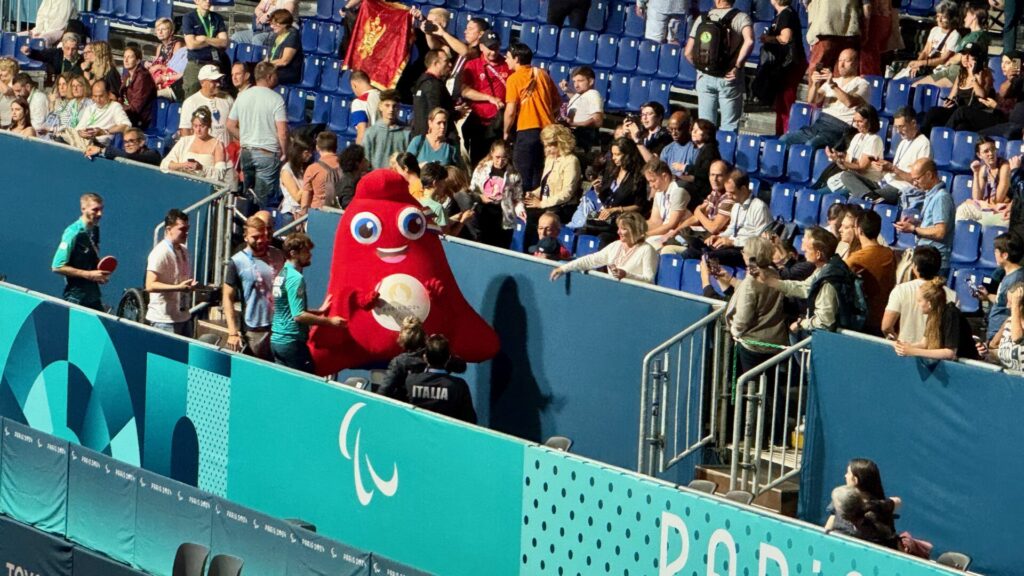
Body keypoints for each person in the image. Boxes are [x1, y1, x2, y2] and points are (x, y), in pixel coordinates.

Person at [271, 233, 346, 372]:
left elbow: (287, 309)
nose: (309, 255)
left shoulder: (282, 273)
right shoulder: (295, 278)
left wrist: (319, 311)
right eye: (306, 251)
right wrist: (330, 322)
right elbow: (298, 315)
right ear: (293, 253)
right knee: (305, 384)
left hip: (277, 341)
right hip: (292, 342)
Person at [227, 62, 288, 211]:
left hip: (247, 152)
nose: (277, 78)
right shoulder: (276, 99)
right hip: (267, 153)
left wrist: (246, 138)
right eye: (275, 75)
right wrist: (285, 152)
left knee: (248, 195)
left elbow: (229, 124)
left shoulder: (243, 96)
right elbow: (283, 132)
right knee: (262, 201)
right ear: (269, 76)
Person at [684, 0, 754, 132]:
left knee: (705, 126)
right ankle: (725, 151)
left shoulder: (702, 18)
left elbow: (688, 52)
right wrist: (738, 66)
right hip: (728, 77)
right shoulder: (741, 17)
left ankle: (706, 152)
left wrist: (702, 69)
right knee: (729, 126)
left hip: (704, 77)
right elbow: (749, 41)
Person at [764, 227, 849, 335]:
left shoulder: (828, 281)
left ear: (818, 254)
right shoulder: (823, 269)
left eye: (808, 249)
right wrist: (774, 283)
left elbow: (824, 322)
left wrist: (801, 324)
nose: (803, 250)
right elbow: (805, 287)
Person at [679, 169, 772, 267]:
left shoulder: (759, 207)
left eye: (732, 193)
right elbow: (732, 229)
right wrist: (720, 236)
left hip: (744, 251)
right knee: (694, 246)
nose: (729, 196)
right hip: (730, 246)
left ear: (744, 189)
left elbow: (761, 241)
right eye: (727, 192)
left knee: (706, 256)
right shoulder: (736, 205)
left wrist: (733, 242)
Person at [223, 215, 285, 359]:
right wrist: (232, 331)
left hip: (277, 328)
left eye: (263, 236)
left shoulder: (278, 255)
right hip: (253, 330)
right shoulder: (237, 261)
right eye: (255, 237)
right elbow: (227, 297)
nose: (260, 240)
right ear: (245, 237)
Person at [781, 48, 869, 150]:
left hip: (840, 128)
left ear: (856, 63)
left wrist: (833, 85)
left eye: (847, 61)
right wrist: (815, 84)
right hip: (821, 123)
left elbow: (849, 103)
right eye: (840, 61)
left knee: (811, 145)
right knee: (785, 139)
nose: (841, 65)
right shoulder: (833, 80)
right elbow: (812, 100)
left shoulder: (862, 84)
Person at [504, 43, 560, 191]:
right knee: (540, 173)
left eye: (508, 57)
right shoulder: (543, 74)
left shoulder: (513, 79)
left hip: (527, 130)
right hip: (549, 131)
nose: (505, 60)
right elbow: (557, 103)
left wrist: (505, 131)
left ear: (516, 59)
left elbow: (510, 111)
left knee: (522, 175)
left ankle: (523, 208)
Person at [550, 212, 659, 283]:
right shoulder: (615, 246)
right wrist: (564, 268)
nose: (618, 232)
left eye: (624, 229)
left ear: (636, 230)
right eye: (619, 228)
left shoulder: (647, 250)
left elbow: (649, 279)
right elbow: (591, 260)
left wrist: (626, 275)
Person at [522, 124, 581, 251]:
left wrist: (542, 204)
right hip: (547, 203)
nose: (547, 149)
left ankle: (538, 250)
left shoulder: (571, 161)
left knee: (536, 218)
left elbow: (567, 193)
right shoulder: (549, 159)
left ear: (561, 142)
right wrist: (533, 194)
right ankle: (527, 250)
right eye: (546, 145)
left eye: (551, 145)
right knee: (524, 211)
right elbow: (546, 186)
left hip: (563, 207)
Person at [882, 246, 957, 343]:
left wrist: (897, 341)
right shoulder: (953, 295)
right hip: (935, 352)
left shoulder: (900, 290)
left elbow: (886, 326)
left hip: (905, 350)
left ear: (915, 267)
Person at [379, 316, 468, 399]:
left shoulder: (399, 362)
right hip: (440, 405)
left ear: (402, 340)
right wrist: (442, 348)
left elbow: (384, 392)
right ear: (424, 336)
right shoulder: (435, 353)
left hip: (408, 409)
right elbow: (461, 367)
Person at [894, 159, 955, 276]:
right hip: (927, 259)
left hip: (935, 264)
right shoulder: (930, 194)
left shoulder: (941, 198)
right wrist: (917, 223)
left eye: (917, 179)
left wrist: (913, 229)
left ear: (929, 175)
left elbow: (940, 232)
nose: (915, 183)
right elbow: (933, 225)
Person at [920, 43, 994, 135]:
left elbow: (982, 96)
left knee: (961, 126)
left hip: (972, 115)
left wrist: (974, 78)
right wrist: (948, 102)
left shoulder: (985, 74)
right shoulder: (961, 74)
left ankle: (942, 136)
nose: (965, 58)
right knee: (934, 112)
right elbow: (952, 95)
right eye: (963, 54)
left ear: (977, 58)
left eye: (970, 55)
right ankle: (920, 137)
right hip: (957, 112)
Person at [459, 30, 509, 166]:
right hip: (479, 123)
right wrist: (489, 98)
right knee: (478, 161)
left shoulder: (507, 65)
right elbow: (464, 91)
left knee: (497, 162)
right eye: (490, 48)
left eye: (496, 47)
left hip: (499, 123)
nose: (493, 51)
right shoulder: (473, 65)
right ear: (481, 46)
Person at [587, 137, 648, 247]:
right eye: (613, 154)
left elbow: (639, 206)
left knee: (603, 238)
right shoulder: (611, 171)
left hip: (622, 219)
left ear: (628, 154)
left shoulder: (638, 177)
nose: (614, 158)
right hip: (605, 214)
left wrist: (616, 210)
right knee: (583, 228)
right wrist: (598, 190)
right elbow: (602, 200)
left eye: (618, 154)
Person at [145, 209, 198, 336]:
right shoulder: (160, 252)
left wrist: (189, 286)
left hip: (183, 316)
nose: (186, 233)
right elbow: (150, 285)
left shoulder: (184, 251)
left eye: (187, 228)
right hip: (164, 321)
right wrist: (178, 287)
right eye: (182, 229)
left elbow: (180, 279)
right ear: (169, 229)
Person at [402, 335, 478, 424]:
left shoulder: (411, 381)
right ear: (448, 358)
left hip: (415, 433)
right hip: (447, 435)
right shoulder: (459, 386)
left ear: (425, 357)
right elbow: (469, 420)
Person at [52, 193, 109, 311]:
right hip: (76, 298)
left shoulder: (95, 229)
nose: (100, 214)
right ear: (83, 209)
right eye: (95, 210)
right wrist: (88, 274)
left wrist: (98, 275)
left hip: (94, 297)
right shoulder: (73, 233)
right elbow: (57, 266)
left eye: (101, 209)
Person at [894, 278, 975, 360]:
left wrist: (913, 351)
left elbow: (950, 352)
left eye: (919, 301)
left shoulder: (951, 314)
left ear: (929, 303)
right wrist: (905, 346)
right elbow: (924, 343)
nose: (917, 304)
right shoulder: (933, 315)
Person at [867, 107, 932, 205]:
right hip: (886, 182)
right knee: (848, 176)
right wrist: (883, 167)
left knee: (862, 198)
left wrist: (893, 169)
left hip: (900, 188)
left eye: (901, 126)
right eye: (896, 127)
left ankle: (868, 196)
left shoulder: (924, 144)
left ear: (913, 123)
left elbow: (919, 181)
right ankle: (867, 195)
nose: (898, 131)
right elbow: (894, 170)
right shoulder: (903, 142)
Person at [760, 0, 807, 135]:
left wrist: (767, 39)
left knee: (786, 102)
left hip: (790, 65)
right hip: (784, 65)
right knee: (781, 103)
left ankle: (785, 135)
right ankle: (780, 133)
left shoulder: (786, 14)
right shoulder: (782, 14)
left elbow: (785, 38)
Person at [845, 211, 895, 335]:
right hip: (883, 316)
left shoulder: (856, 259)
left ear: (860, 231)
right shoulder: (890, 254)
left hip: (865, 321)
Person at [665, 159, 733, 247]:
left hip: (714, 241)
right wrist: (676, 231)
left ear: (727, 177)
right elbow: (696, 218)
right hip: (703, 235)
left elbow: (713, 228)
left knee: (670, 246)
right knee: (671, 240)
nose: (714, 179)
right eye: (712, 175)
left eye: (719, 175)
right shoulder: (714, 194)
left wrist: (697, 211)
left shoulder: (729, 198)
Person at [470, 140, 524, 248]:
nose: (500, 161)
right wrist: (481, 197)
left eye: (504, 158)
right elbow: (471, 190)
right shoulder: (481, 169)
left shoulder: (514, 175)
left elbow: (517, 197)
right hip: (483, 214)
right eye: (497, 157)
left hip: (503, 217)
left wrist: (520, 209)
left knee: (500, 246)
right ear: (491, 154)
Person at [825, 105, 884, 197]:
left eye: (860, 121)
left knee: (829, 197)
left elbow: (861, 167)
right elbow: (847, 165)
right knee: (820, 193)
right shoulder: (857, 137)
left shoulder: (874, 139)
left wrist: (841, 161)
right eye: (855, 121)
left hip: (864, 183)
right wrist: (838, 159)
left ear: (870, 121)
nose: (856, 125)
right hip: (851, 179)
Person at [979, 232, 1024, 346]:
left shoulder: (1016, 279)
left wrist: (995, 341)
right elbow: (1002, 302)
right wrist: (987, 296)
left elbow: (1013, 311)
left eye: (996, 251)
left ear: (1005, 255)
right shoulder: (1008, 275)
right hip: (995, 336)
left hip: (1000, 338)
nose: (994, 254)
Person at [162, 107, 228, 181]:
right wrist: (183, 165)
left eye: (202, 126)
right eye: (195, 126)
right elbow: (165, 164)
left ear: (209, 125)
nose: (198, 130)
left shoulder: (217, 144)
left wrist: (202, 168)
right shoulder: (185, 141)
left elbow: (221, 173)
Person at [956, 138, 1011, 226]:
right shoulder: (983, 168)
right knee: (962, 209)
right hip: (987, 209)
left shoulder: (1004, 166)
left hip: (1000, 212)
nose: (991, 153)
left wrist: (981, 203)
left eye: (993, 149)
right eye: (986, 151)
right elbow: (977, 197)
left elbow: (998, 199)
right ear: (979, 155)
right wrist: (975, 173)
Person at [898, 1, 960, 80]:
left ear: (951, 18)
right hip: (926, 66)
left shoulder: (954, 35)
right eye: (938, 16)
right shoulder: (934, 30)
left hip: (939, 71)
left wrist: (921, 63)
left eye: (943, 17)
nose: (939, 20)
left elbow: (943, 59)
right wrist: (917, 64)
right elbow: (926, 51)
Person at [63, 79, 131, 150]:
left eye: (101, 96)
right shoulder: (90, 108)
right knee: (64, 134)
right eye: (95, 96)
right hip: (85, 141)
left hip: (100, 144)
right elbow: (78, 129)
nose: (98, 100)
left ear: (108, 94)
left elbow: (126, 126)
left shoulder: (115, 106)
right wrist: (81, 133)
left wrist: (104, 131)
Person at [180, 0, 229, 98]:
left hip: (214, 64)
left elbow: (224, 42)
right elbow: (191, 45)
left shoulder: (217, 18)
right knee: (191, 97)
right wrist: (215, 41)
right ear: (196, 1)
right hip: (197, 63)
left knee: (216, 96)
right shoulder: (188, 18)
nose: (208, 1)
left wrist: (205, 39)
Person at [803, 0, 861, 79]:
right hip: (849, 30)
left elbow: (806, 2)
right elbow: (866, 6)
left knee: (818, 74)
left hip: (825, 29)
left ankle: (818, 90)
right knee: (843, 75)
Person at [180, 64, 234, 147]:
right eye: (213, 81)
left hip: (227, 153)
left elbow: (235, 125)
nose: (218, 84)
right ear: (202, 82)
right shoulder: (190, 102)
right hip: (203, 155)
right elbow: (185, 131)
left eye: (218, 80)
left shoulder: (228, 99)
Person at [643, 159, 691, 248]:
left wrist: (644, 235)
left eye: (653, 180)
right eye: (648, 181)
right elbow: (655, 221)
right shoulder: (659, 191)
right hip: (664, 233)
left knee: (645, 246)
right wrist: (635, 228)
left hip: (679, 234)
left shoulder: (678, 190)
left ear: (664, 176)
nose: (650, 185)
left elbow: (672, 225)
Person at [559, 66, 604, 156]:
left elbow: (597, 121)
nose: (576, 85)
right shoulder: (582, 94)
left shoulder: (593, 94)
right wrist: (567, 90)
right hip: (574, 136)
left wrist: (572, 124)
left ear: (590, 81)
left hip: (582, 138)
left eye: (580, 81)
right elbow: (580, 104)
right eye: (574, 81)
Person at [411, 50, 456, 140]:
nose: (450, 65)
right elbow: (436, 112)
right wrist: (457, 113)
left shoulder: (422, 83)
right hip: (434, 140)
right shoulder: (433, 85)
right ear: (435, 63)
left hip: (421, 137)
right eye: (446, 61)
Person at [677, 118, 721, 207]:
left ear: (707, 133)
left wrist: (685, 167)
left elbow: (705, 172)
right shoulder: (704, 149)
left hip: (702, 194)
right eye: (693, 130)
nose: (693, 132)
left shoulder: (710, 150)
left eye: (697, 130)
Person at [364, 89, 410, 170]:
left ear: (398, 108)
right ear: (380, 106)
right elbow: (365, 160)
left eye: (394, 106)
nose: (391, 109)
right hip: (376, 179)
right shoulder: (370, 133)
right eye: (387, 105)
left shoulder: (406, 132)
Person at [279, 134, 314, 224]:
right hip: (291, 214)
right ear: (298, 152)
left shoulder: (306, 167)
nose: (310, 155)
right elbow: (297, 197)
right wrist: (309, 180)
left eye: (311, 152)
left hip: (306, 212)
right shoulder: (286, 171)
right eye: (307, 153)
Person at [146, 18, 185, 100]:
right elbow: (156, 64)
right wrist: (150, 65)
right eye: (158, 29)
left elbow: (175, 69)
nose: (160, 32)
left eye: (163, 29)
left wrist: (159, 67)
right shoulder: (160, 47)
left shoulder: (178, 45)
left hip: (171, 80)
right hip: (160, 78)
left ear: (171, 31)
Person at [119, 45, 156, 129]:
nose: (126, 60)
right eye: (124, 57)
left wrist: (119, 111)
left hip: (140, 120)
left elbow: (136, 106)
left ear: (138, 60)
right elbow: (122, 98)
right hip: (129, 115)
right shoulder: (127, 75)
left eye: (130, 57)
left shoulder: (143, 77)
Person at [302, 130, 341, 210]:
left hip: (318, 212)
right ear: (336, 146)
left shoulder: (312, 169)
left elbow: (306, 199)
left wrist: (303, 213)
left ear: (317, 147)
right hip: (341, 212)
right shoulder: (346, 166)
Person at [84, 126, 161, 166]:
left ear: (141, 142)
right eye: (125, 142)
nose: (127, 145)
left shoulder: (153, 154)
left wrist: (102, 150)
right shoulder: (124, 153)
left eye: (131, 141)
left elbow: (130, 157)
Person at [231, 0, 296, 46]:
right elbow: (258, 8)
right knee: (236, 37)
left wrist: (268, 16)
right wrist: (260, 14)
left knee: (258, 39)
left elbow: (287, 13)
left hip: (278, 32)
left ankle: (258, 65)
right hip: (260, 29)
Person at [265, 9, 302, 86]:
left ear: (284, 24)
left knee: (263, 78)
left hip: (287, 72)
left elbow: (284, 61)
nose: (272, 26)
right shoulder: (275, 35)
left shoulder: (292, 35)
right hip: (273, 69)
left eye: (275, 24)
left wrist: (266, 66)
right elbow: (268, 57)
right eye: (271, 24)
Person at [659, 110, 695, 180]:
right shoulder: (667, 150)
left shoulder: (695, 149)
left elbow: (697, 178)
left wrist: (677, 178)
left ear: (688, 128)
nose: (673, 133)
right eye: (671, 130)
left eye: (677, 129)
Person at [995, 282, 1024, 371]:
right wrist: (986, 352)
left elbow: (1017, 338)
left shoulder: (1014, 322)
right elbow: (995, 346)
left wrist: (1015, 305)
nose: (1007, 306)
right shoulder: (1009, 321)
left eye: (1011, 302)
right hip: (1008, 380)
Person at [349, 70, 380, 145]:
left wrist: (358, 154)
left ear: (354, 85)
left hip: (371, 147)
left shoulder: (359, 102)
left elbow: (362, 131)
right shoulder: (385, 97)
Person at [0, 58, 20, 127]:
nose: (0, 74)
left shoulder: (16, 84)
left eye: (3, 70)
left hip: (11, 125)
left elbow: (6, 91)